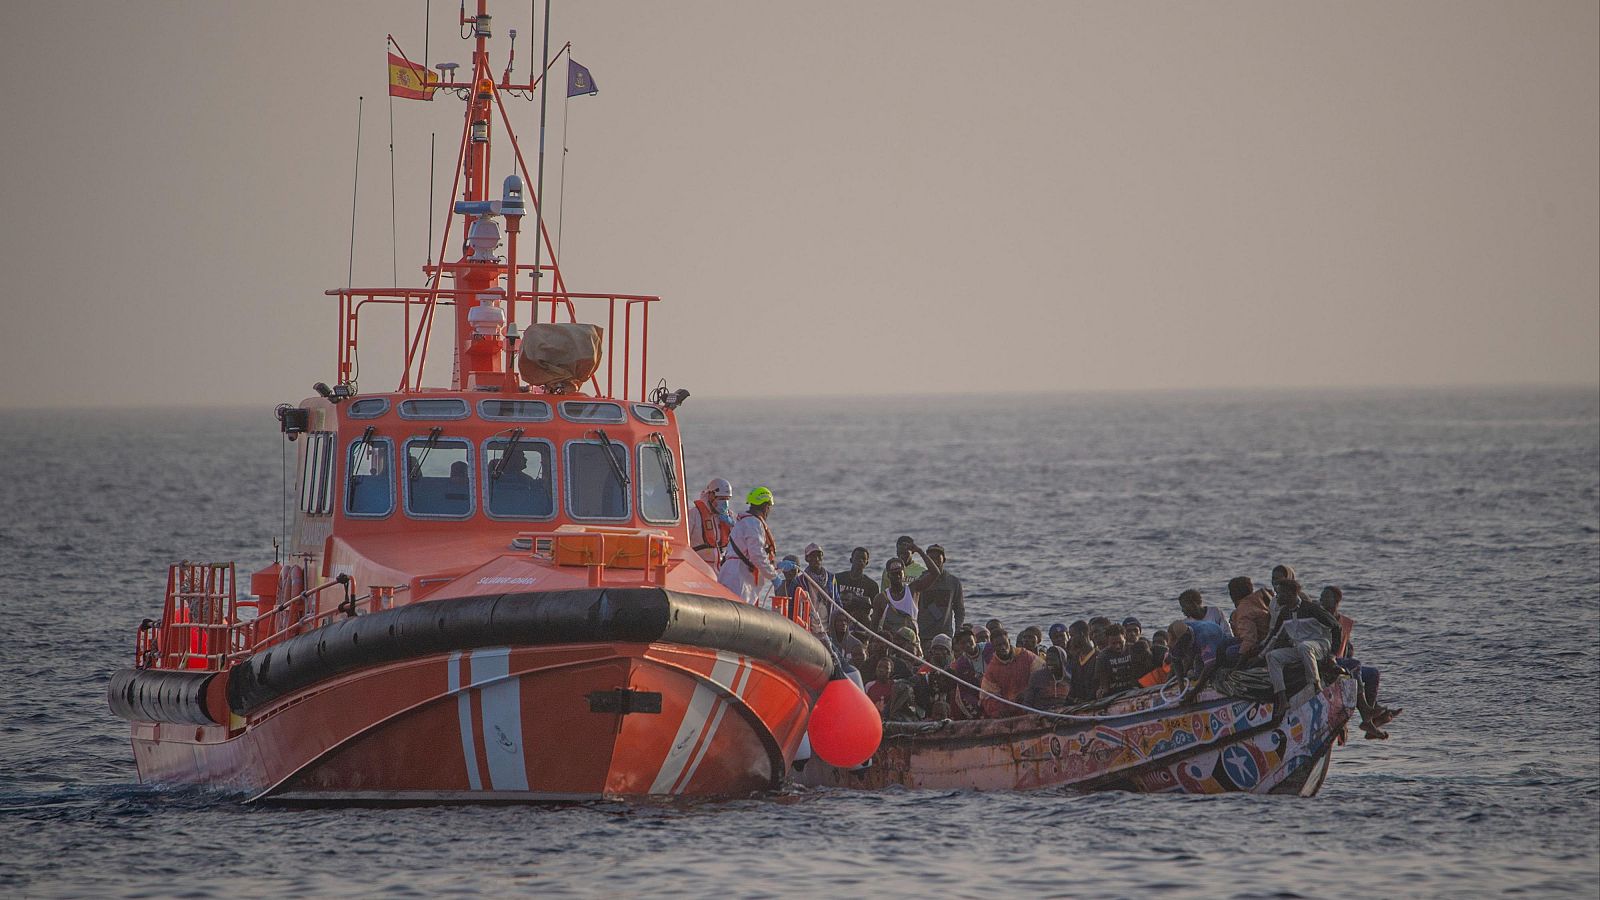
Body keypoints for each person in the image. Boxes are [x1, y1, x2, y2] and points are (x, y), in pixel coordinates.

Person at [1254, 577, 1342, 720]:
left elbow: (1336, 627)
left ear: (1290, 593)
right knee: (1273, 656)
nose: (1277, 597)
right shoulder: (1284, 613)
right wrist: (1258, 657)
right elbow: (1273, 638)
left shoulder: (1311, 608)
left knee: (1304, 646)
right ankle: (1282, 698)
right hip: (1301, 649)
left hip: (1320, 645)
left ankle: (1315, 686)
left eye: (1280, 593)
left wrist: (1333, 655)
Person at [1321, 586, 1399, 734]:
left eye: (1326, 597)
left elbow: (1347, 647)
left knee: (1373, 673)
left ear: (1337, 601)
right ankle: (1367, 713)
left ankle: (1370, 719)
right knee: (1355, 665)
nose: (1321, 600)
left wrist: (1348, 652)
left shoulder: (1343, 621)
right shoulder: (1319, 617)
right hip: (1325, 660)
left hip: (1340, 661)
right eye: (1321, 597)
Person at [717, 487, 780, 606]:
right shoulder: (754, 523)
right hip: (740, 578)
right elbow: (757, 555)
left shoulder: (744, 521)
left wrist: (776, 566)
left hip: (732, 573)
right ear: (765, 506)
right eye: (769, 507)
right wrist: (773, 576)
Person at [872, 543, 941, 637]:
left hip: (911, 644)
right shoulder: (881, 598)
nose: (897, 576)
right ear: (888, 576)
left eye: (899, 573)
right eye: (893, 574)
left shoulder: (913, 590)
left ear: (904, 573)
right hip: (891, 644)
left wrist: (920, 551)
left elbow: (935, 573)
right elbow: (874, 627)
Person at [978, 626, 1041, 718]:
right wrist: (1000, 709)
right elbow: (986, 697)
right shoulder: (992, 669)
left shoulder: (1026, 656)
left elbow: (1042, 675)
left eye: (1004, 643)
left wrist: (1028, 692)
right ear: (993, 647)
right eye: (998, 645)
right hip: (1009, 710)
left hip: (1032, 703)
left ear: (1009, 642)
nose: (1003, 647)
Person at [914, 544, 965, 641]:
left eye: (938, 557)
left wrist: (958, 630)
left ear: (944, 559)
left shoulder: (953, 582)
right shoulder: (920, 581)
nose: (934, 560)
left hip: (945, 635)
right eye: (931, 558)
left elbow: (959, 610)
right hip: (924, 635)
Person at [687, 478, 734, 567]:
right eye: (721, 499)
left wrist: (733, 525)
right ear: (711, 495)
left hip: (720, 568)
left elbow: (739, 541)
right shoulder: (694, 514)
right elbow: (684, 541)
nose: (725, 503)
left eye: (727, 499)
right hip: (699, 567)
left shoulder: (729, 516)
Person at [1092, 626, 1145, 699]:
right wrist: (1101, 691)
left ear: (1125, 638)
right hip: (1113, 694)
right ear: (1107, 641)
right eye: (1113, 643)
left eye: (1120, 642)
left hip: (1135, 690)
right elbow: (1100, 681)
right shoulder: (1102, 657)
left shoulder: (1133, 650)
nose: (1117, 646)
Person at [1228, 576, 1272, 655]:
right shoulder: (1259, 599)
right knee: (1227, 641)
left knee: (1230, 652)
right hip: (1266, 638)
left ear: (1233, 594)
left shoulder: (1243, 610)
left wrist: (1240, 661)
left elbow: (1249, 640)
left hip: (1260, 644)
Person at [834, 547, 878, 625]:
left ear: (866, 563)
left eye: (863, 559)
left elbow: (876, 610)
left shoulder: (871, 585)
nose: (860, 560)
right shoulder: (838, 578)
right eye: (857, 558)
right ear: (851, 560)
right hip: (839, 619)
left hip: (860, 622)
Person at [1024, 646, 1074, 710]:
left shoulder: (1070, 679)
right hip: (1039, 716)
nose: (1049, 663)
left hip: (1063, 716)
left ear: (1062, 661)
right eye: (1047, 660)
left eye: (1053, 660)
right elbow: (1027, 703)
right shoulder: (1037, 677)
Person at [950, 628, 985, 719]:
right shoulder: (961, 663)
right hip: (978, 690)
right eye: (963, 643)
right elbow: (965, 688)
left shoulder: (988, 649)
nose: (967, 645)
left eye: (970, 641)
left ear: (975, 639)